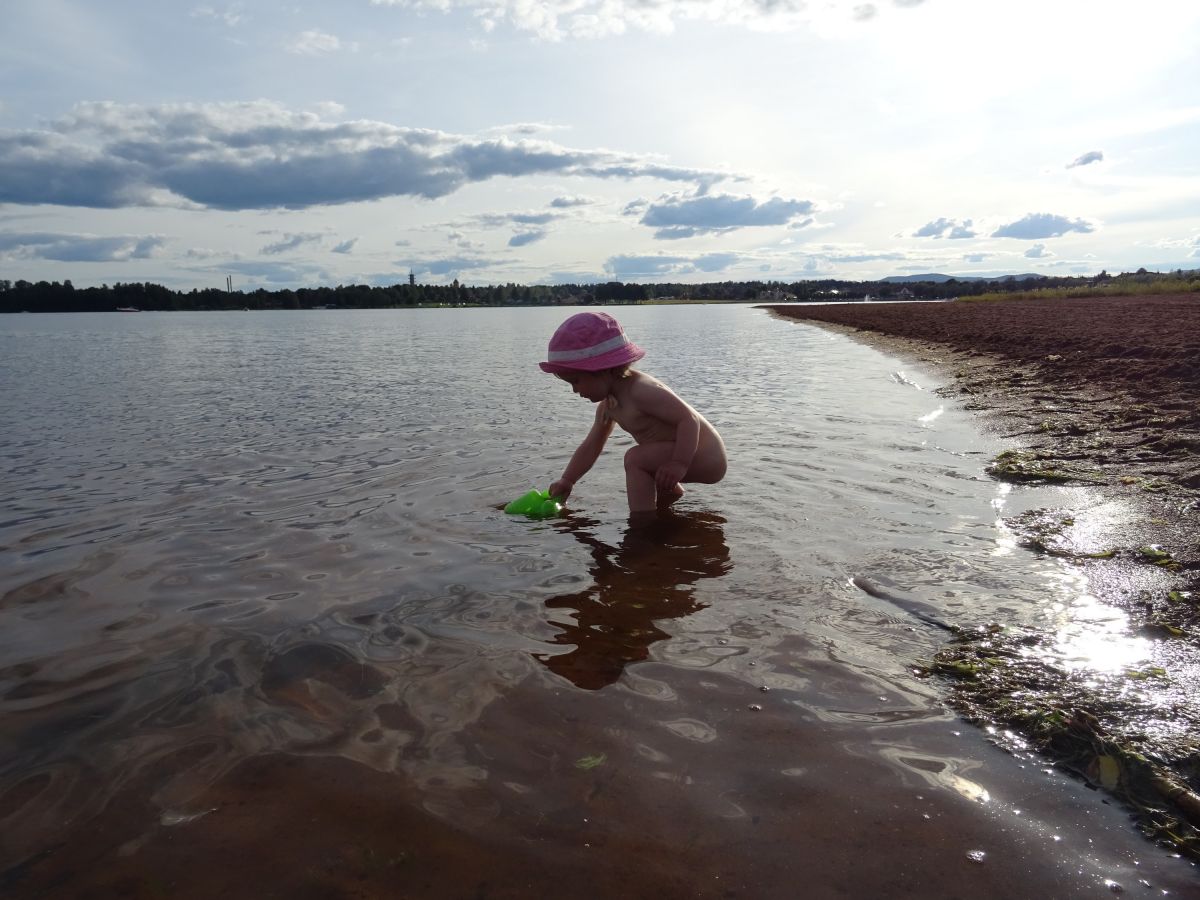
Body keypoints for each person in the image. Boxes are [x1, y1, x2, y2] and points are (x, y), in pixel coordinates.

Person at [540, 311, 727, 514]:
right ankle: (670, 502)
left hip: (705, 456)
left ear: (603, 369)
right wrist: (568, 480)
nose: (575, 390)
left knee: (635, 459)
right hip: (677, 454)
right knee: (645, 458)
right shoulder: (608, 406)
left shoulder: (641, 391)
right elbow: (592, 445)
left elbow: (688, 419)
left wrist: (679, 463)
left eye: (576, 381)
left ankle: (641, 525)